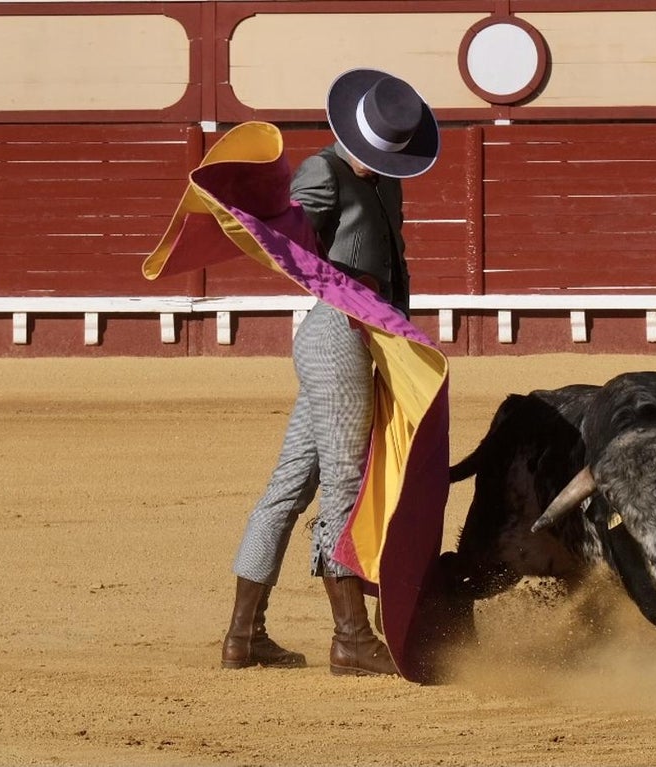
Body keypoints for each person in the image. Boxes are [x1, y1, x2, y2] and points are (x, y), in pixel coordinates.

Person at [220, 69, 440, 677]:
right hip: (336, 334)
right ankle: (350, 637)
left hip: (373, 338)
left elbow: (391, 265)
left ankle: (243, 637)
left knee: (289, 486)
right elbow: (289, 241)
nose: (380, 162)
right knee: (346, 482)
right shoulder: (324, 170)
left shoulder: (388, 182)